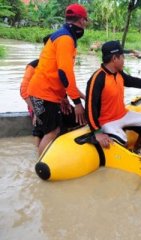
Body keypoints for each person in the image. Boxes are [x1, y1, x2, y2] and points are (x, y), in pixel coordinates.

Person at [27, 3, 88, 155]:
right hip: (43, 94)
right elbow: (64, 73)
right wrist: (77, 102)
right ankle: (41, 168)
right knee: (53, 131)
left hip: (45, 93)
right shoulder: (66, 39)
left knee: (52, 128)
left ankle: (42, 159)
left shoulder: (63, 35)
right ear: (81, 21)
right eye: (86, 21)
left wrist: (63, 97)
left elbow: (55, 72)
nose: (86, 24)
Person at [85, 40, 141, 151]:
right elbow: (90, 107)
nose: (124, 60)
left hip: (123, 114)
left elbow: (131, 81)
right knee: (123, 141)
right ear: (114, 59)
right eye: (122, 57)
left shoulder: (119, 73)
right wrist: (97, 132)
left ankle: (139, 145)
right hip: (107, 121)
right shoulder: (98, 79)